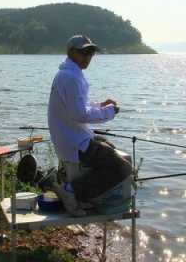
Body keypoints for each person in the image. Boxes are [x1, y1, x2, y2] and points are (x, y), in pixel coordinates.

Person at [47, 34, 132, 216]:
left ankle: (83, 195)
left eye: (91, 53)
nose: (88, 57)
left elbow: (77, 107)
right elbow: (79, 113)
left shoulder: (68, 74)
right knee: (123, 167)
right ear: (71, 53)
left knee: (108, 146)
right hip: (74, 141)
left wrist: (100, 106)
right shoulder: (71, 77)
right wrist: (109, 112)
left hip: (71, 136)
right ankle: (72, 192)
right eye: (84, 52)